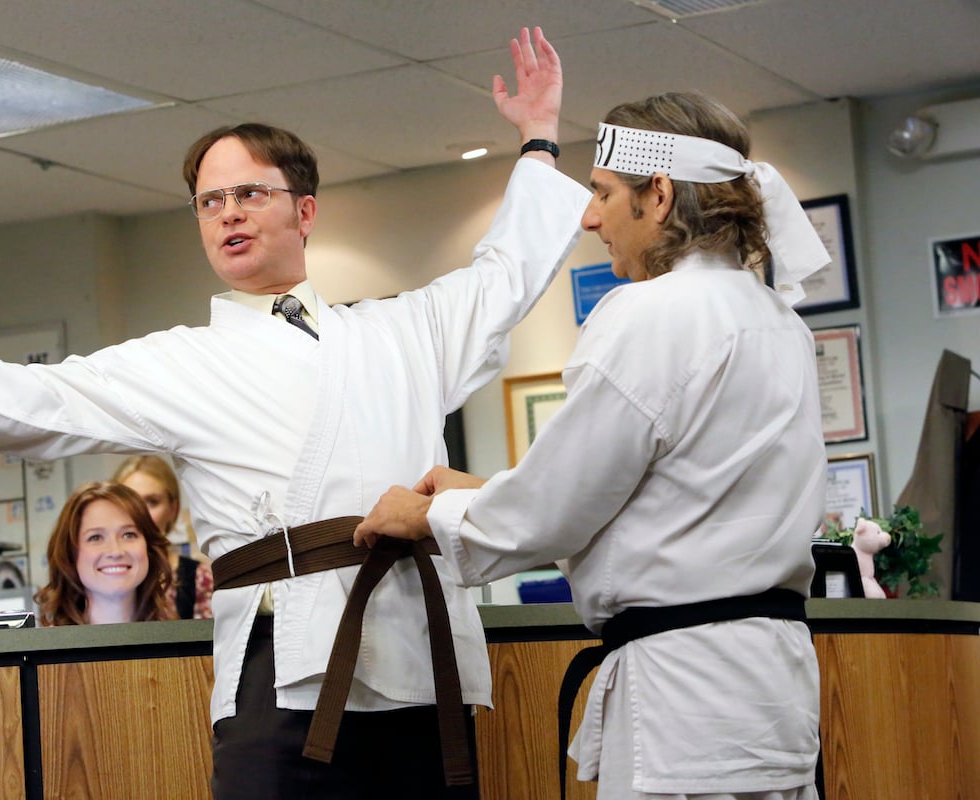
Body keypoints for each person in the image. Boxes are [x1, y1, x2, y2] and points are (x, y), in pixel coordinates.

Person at [0, 26, 589, 799]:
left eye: (249, 194)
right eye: (209, 202)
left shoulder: (404, 329)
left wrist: (539, 138)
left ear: (305, 211)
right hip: (284, 662)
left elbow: (506, 274)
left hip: (419, 658)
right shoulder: (181, 361)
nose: (228, 213)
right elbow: (21, 404)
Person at [355, 91, 830, 800]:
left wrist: (425, 515)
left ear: (659, 194)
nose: (589, 216)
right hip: (774, 690)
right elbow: (670, 499)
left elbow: (554, 510)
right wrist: (484, 495)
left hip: (686, 702)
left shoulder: (651, 313)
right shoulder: (776, 320)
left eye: (605, 193)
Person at [35, 481, 177, 625]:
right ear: (70, 554)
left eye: (128, 535)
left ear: (149, 547)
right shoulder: (49, 646)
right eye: (95, 537)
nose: (115, 551)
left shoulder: (179, 641)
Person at [113, 454, 213, 619]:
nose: (140, 512)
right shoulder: (97, 576)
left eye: (152, 502)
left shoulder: (200, 579)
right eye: (130, 502)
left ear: (173, 509)